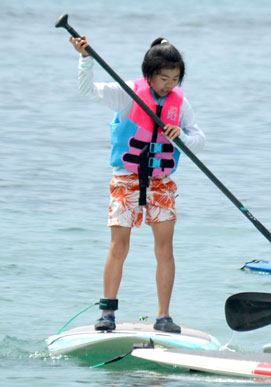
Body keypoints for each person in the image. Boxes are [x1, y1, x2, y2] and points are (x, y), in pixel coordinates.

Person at [69, 35, 206, 333]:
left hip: (161, 182)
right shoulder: (129, 92)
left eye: (176, 78)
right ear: (149, 75)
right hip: (126, 179)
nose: (169, 85)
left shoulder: (181, 105)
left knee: (165, 249)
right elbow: (87, 91)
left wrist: (179, 135)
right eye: (163, 78)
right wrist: (85, 59)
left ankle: (163, 316)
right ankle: (107, 312)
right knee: (119, 246)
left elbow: (199, 140)